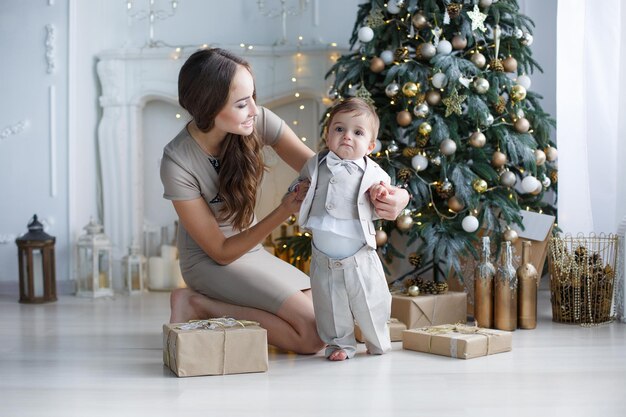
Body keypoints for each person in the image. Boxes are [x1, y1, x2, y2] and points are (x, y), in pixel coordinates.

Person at [160, 48, 409, 355]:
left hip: (252, 253)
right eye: (241, 104)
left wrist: (398, 195)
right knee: (312, 338)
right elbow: (221, 252)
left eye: (253, 96)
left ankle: (218, 306)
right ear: (208, 107)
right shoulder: (177, 162)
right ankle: (198, 304)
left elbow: (327, 172)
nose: (254, 109)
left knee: (329, 318)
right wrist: (285, 210)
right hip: (210, 262)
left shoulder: (255, 121)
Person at [295, 98, 392, 361]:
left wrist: (381, 191)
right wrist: (298, 190)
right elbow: (301, 185)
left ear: (370, 145)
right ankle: (340, 344)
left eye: (357, 132)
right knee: (329, 303)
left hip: (359, 253)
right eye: (339, 129)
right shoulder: (316, 164)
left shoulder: (372, 172)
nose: (347, 136)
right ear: (328, 135)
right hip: (323, 254)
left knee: (371, 299)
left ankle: (377, 340)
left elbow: (385, 189)